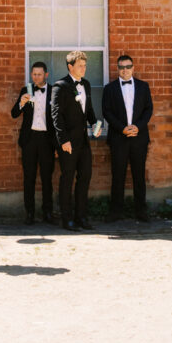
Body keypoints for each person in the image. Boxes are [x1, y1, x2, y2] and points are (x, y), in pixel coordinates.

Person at [102, 54, 153, 222]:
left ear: (133, 67)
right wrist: (123, 129)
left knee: (139, 176)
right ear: (117, 69)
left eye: (128, 66)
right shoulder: (109, 89)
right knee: (118, 176)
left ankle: (141, 211)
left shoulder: (143, 86)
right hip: (119, 138)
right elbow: (106, 112)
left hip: (139, 137)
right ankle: (115, 212)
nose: (125, 70)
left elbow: (148, 110)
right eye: (121, 67)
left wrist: (137, 126)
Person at [51, 50, 97, 231]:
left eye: (85, 65)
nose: (84, 68)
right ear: (70, 67)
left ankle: (81, 217)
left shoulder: (86, 84)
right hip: (68, 142)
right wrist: (63, 140)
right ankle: (67, 219)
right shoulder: (60, 86)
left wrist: (95, 124)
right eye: (80, 65)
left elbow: (89, 110)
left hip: (84, 141)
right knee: (67, 179)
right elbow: (56, 115)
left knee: (85, 177)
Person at [10, 62, 57, 225]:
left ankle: (48, 213)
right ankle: (29, 213)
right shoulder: (26, 90)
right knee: (28, 177)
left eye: (39, 74)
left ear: (46, 75)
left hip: (47, 140)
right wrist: (22, 103)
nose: (36, 77)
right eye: (34, 74)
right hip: (29, 139)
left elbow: (59, 119)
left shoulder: (53, 92)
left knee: (46, 178)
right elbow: (14, 114)